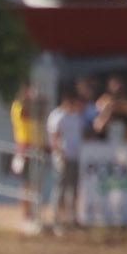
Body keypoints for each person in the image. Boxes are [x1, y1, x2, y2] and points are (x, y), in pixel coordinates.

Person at [44, 82, 91, 225]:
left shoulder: (77, 116)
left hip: (75, 156)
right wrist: (59, 154)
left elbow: (82, 134)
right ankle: (56, 216)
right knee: (61, 186)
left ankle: (72, 216)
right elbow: (54, 137)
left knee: (74, 187)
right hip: (63, 157)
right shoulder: (58, 116)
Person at [9, 84, 45, 227]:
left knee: (35, 182)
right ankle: (26, 212)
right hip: (25, 147)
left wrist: (38, 99)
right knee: (26, 183)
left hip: (36, 147)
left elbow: (42, 111)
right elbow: (24, 112)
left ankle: (34, 211)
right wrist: (28, 99)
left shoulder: (35, 110)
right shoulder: (18, 106)